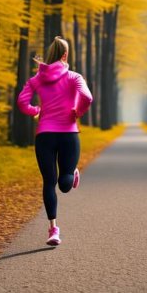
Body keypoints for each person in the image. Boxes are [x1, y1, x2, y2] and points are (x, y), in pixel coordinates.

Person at [17, 36, 93, 246]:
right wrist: (77, 111)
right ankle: (54, 228)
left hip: (44, 136)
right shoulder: (74, 77)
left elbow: (22, 101)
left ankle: (53, 229)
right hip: (69, 134)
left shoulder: (36, 79)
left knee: (50, 183)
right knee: (63, 184)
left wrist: (36, 110)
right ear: (65, 55)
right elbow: (87, 98)